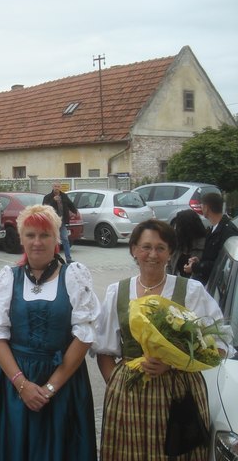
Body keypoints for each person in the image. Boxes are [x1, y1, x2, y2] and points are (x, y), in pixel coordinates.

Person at [94, 219, 234, 460]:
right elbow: (104, 351)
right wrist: (119, 385)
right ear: (134, 250)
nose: (152, 254)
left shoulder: (191, 291)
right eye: (146, 247)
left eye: (161, 248)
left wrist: (174, 363)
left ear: (170, 253)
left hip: (179, 395)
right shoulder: (117, 292)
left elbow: (218, 347)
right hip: (130, 397)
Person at [0, 204, 98, 460]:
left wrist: (50, 388)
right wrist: (22, 385)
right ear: (21, 238)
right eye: (30, 235)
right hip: (16, 382)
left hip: (63, 383)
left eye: (45, 235)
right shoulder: (8, 278)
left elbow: (84, 336)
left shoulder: (74, 276)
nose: (37, 242)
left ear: (56, 238)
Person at [184, 192, 238, 285]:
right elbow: (212, 256)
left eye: (201, 205)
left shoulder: (228, 231)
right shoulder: (214, 228)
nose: (201, 208)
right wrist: (199, 261)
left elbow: (221, 264)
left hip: (215, 285)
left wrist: (195, 267)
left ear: (206, 207)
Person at [43, 182, 78, 263]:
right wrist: (53, 201)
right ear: (52, 187)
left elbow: (70, 204)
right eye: (55, 186)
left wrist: (75, 211)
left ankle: (68, 259)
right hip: (52, 222)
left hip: (62, 221)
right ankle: (51, 258)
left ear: (60, 187)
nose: (57, 188)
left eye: (58, 186)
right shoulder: (48, 197)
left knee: (65, 239)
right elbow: (44, 207)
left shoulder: (64, 196)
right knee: (52, 240)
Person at [167, 209, 206, 277]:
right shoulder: (177, 243)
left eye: (178, 227)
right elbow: (170, 266)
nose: (176, 229)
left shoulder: (205, 244)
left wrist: (195, 267)